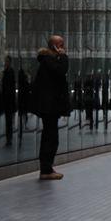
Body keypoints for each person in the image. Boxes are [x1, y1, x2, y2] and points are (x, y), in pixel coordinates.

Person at [32, 35, 71, 180]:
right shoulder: (49, 60)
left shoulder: (49, 60)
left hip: (50, 106)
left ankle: (47, 168)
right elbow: (61, 71)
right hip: (49, 106)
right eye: (60, 44)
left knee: (50, 136)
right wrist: (64, 56)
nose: (63, 47)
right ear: (54, 46)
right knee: (50, 137)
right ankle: (46, 170)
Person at [1, 56, 16, 146]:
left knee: (9, 121)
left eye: (7, 61)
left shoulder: (9, 72)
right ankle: (8, 138)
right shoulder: (6, 72)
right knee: (8, 120)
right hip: (7, 100)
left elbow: (9, 87)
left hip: (9, 100)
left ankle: (9, 138)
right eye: (5, 61)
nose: (5, 63)